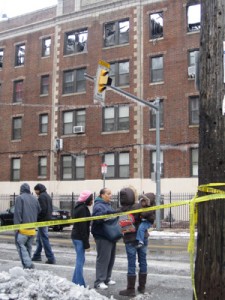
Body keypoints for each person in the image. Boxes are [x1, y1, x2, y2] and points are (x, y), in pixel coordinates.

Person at [118, 187, 156, 297]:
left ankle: (130, 289)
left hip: (130, 239)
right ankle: (142, 287)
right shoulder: (140, 206)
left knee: (131, 263)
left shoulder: (122, 210)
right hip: (142, 238)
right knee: (143, 261)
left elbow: (125, 227)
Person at [91, 188, 117, 290]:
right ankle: (99, 281)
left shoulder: (108, 204)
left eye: (111, 193)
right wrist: (110, 212)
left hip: (111, 235)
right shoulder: (98, 205)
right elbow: (97, 219)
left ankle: (107, 278)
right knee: (103, 259)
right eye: (108, 193)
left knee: (110, 258)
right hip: (102, 235)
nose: (110, 195)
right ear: (102, 195)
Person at [14, 183, 41, 269]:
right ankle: (27, 267)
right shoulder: (34, 198)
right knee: (28, 248)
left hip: (23, 229)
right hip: (32, 229)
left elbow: (17, 213)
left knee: (21, 247)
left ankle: (28, 265)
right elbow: (39, 210)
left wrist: (16, 228)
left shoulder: (20, 198)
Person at [71, 190, 93, 287]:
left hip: (76, 236)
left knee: (80, 259)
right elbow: (83, 228)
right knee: (80, 260)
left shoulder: (78, 207)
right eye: (91, 199)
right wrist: (86, 244)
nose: (92, 201)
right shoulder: (83, 209)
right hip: (79, 237)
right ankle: (80, 284)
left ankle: (75, 281)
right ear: (87, 199)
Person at [32, 183, 56, 264]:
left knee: (44, 239)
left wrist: (37, 218)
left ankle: (51, 258)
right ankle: (37, 255)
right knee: (39, 238)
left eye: (36, 191)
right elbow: (50, 209)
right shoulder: (48, 196)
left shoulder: (41, 197)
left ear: (38, 190)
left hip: (42, 220)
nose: (35, 192)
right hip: (47, 219)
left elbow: (42, 210)